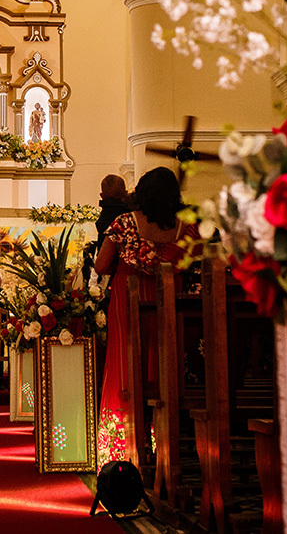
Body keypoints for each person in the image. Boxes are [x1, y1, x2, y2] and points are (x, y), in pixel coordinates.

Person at [93, 166, 196, 468]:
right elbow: (192, 263)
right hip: (168, 297)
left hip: (129, 295)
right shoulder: (186, 227)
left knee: (125, 363)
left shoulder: (124, 223)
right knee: (159, 364)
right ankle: (161, 442)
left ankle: (119, 448)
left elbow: (100, 265)